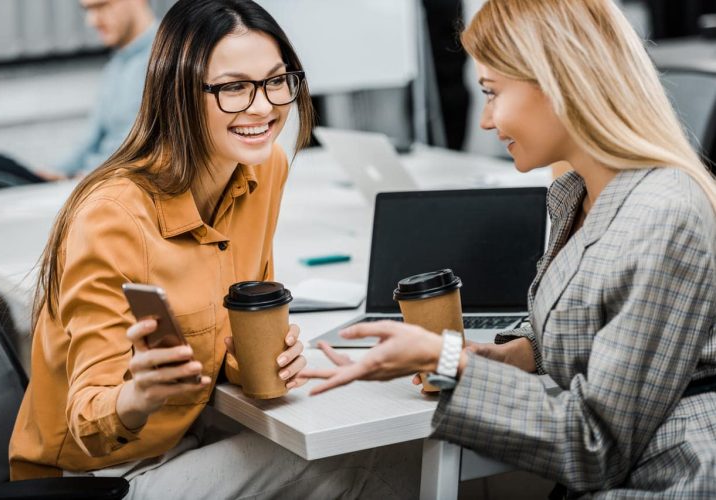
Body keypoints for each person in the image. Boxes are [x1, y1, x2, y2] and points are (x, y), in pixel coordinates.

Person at [303, 0, 716, 497]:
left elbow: (595, 447)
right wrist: (513, 355)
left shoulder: (662, 214)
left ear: (558, 83)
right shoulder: (579, 194)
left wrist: (449, 363)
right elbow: (598, 322)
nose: (484, 119)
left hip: (668, 479)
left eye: (492, 93)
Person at [9, 1, 420, 498]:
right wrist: (138, 393)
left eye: (275, 80)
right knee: (360, 463)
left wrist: (260, 358)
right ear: (177, 92)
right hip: (99, 474)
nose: (264, 107)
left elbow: (231, 324)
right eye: (233, 88)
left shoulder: (264, 169)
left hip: (186, 431)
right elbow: (86, 418)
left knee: (383, 440)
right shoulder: (113, 216)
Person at [0, 0, 157, 190]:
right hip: (83, 183)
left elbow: (146, 148)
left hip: (108, 187)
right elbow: (89, 141)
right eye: (88, 10)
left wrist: (90, 177)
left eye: (101, 6)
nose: (92, 21)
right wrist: (56, 172)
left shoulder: (167, 58)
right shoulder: (115, 67)